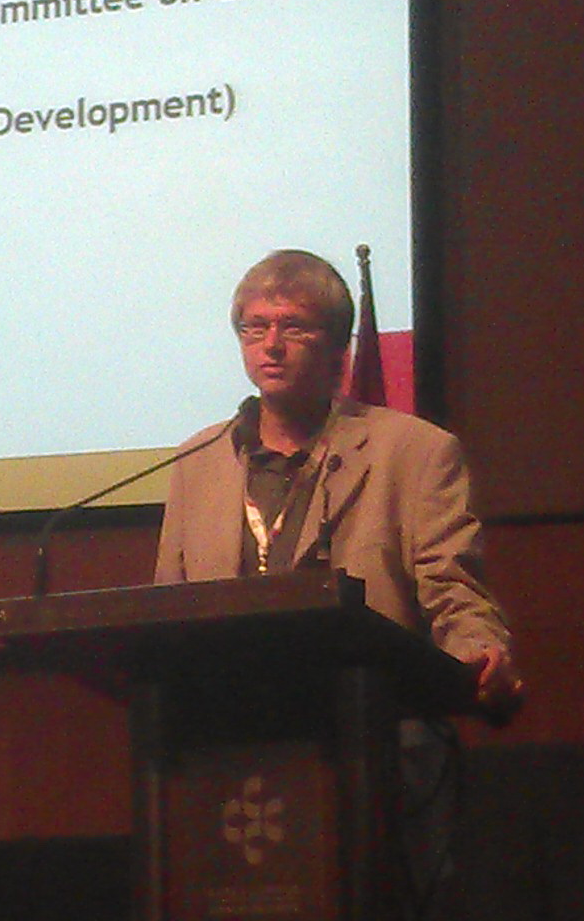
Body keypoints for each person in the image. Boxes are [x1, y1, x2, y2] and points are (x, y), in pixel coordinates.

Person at [154, 247, 523, 713]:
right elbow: (166, 612)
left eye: (294, 327)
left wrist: (479, 650)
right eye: (255, 327)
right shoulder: (198, 461)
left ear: (336, 347)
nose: (271, 345)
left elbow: (453, 589)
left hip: (374, 717)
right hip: (227, 727)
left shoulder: (414, 452)